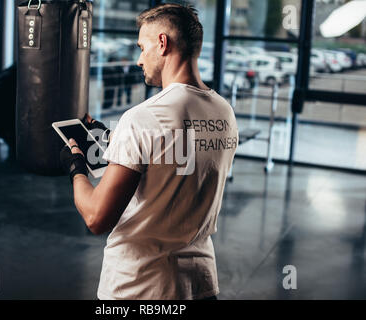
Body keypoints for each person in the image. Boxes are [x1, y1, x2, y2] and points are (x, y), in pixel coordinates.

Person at [60, 3, 238, 300]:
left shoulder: (143, 117)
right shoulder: (224, 112)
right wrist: (112, 141)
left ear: (162, 43)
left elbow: (96, 218)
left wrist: (75, 164)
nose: (140, 60)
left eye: (143, 48)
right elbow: (177, 163)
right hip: (199, 284)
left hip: (141, 288)